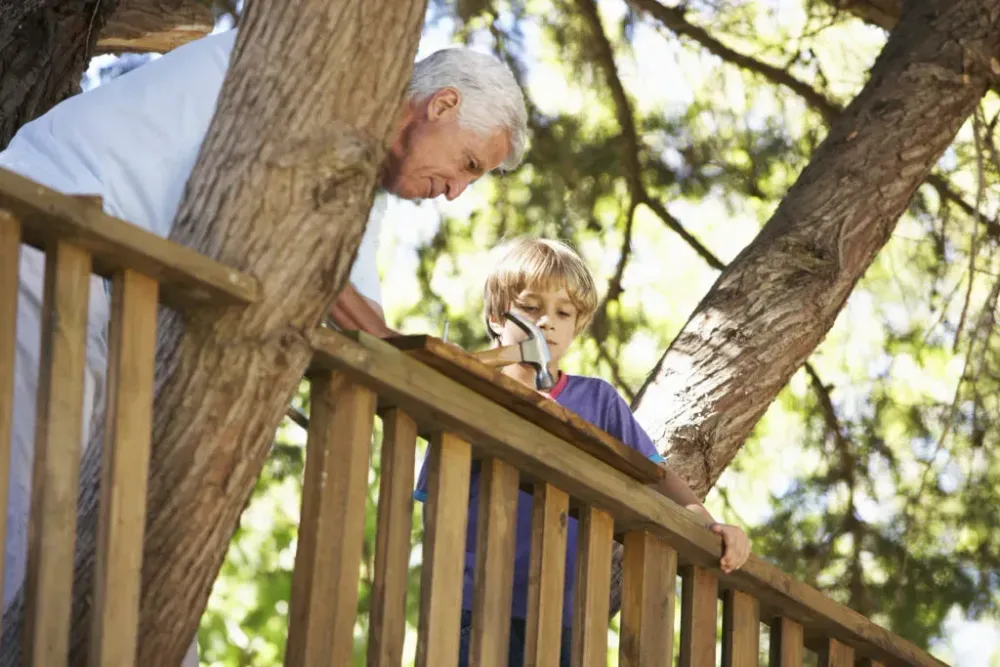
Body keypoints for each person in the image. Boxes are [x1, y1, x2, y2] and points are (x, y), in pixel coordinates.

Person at [0, 29, 528, 665]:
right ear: (441, 105)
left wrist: (418, 365)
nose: (456, 192)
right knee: (26, 526)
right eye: (469, 165)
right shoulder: (322, 85)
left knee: (117, 559)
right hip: (33, 249)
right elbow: (342, 297)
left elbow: (359, 308)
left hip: (106, 302)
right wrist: (430, 371)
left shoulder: (358, 164)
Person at [413, 237, 752, 667]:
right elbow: (435, 498)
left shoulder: (598, 401)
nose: (547, 323)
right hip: (471, 605)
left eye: (563, 313)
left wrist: (709, 523)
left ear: (578, 324)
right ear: (499, 318)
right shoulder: (471, 393)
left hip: (561, 612)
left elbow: (655, 474)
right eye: (531, 308)